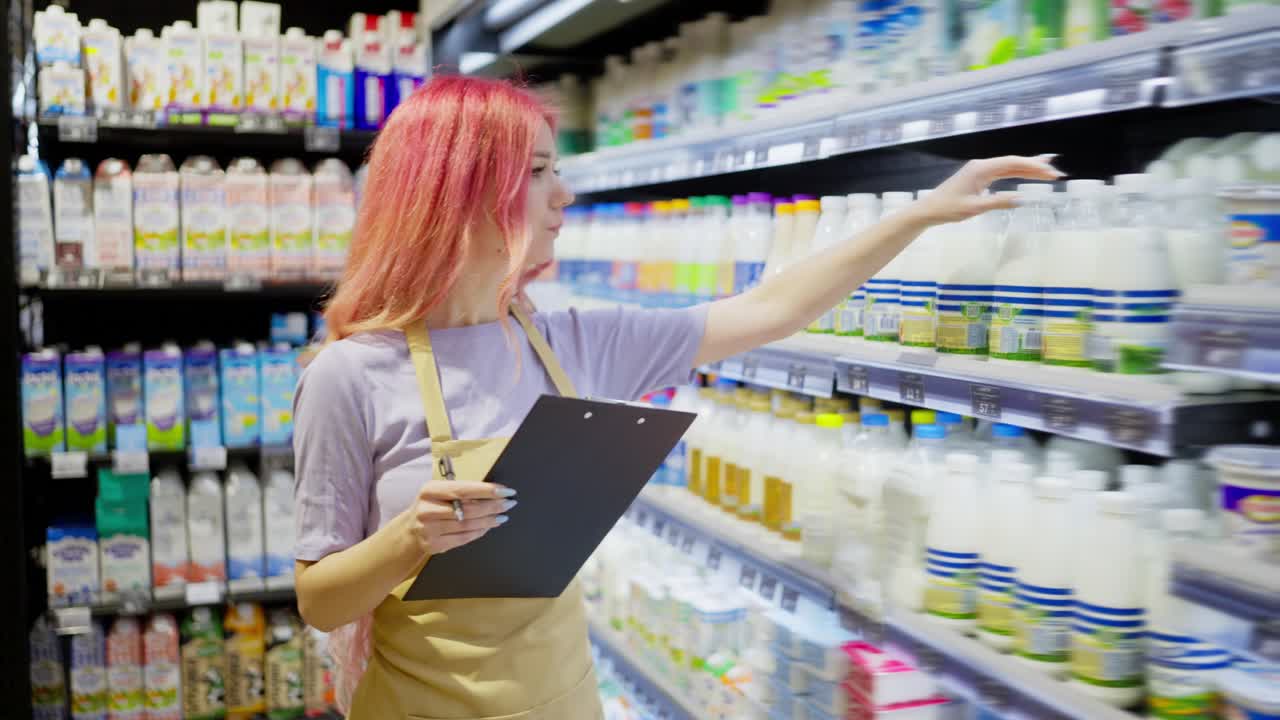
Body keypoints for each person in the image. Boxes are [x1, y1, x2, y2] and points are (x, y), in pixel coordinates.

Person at [292, 74, 1060, 719]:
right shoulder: (350, 374)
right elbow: (319, 602)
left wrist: (919, 214)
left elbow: (767, 311)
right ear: (456, 190)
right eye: (538, 172)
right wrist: (410, 541)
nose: (562, 194)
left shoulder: (568, 341)